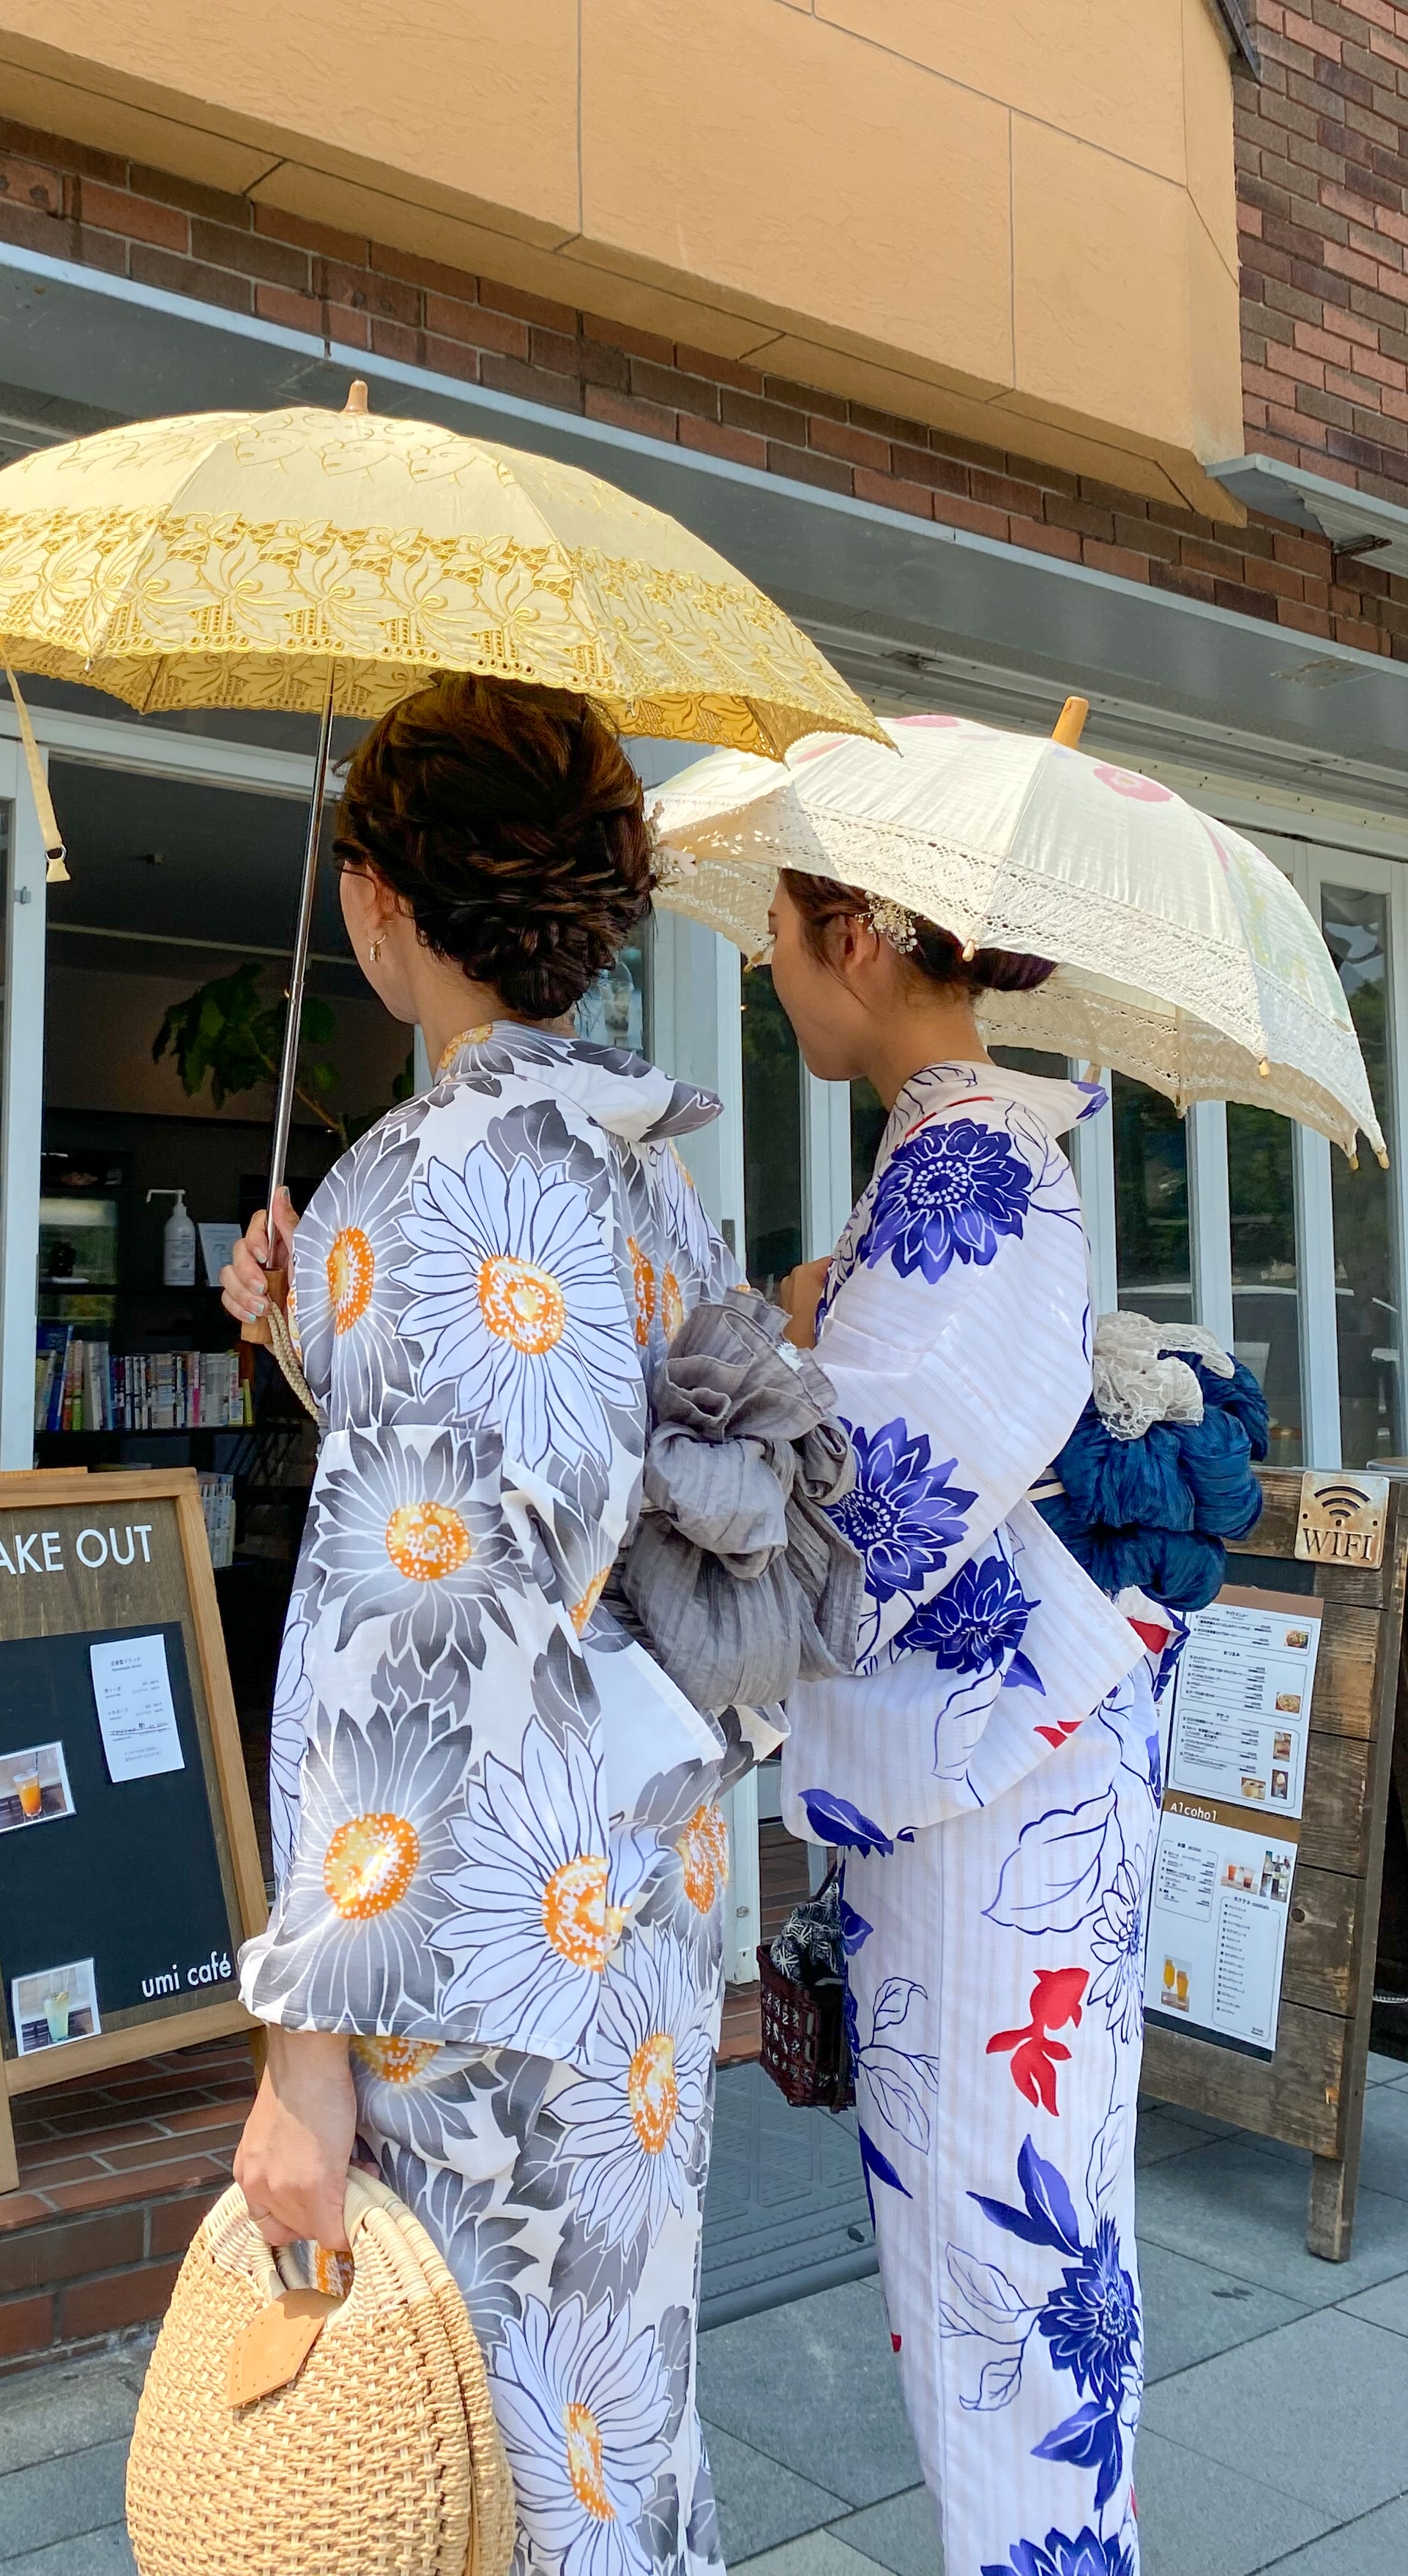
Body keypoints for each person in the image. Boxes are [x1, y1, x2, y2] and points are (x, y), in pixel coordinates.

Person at [220, 674, 744, 2576]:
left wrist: (302, 2052)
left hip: (465, 1937)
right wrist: (300, 1325)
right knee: (610, 2410)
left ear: (377, 905)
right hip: (634, 1897)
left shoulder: (422, 1185)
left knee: (476, 2454)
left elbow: (412, 1629)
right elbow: (651, 1527)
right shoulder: (646, 1177)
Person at [766, 870, 1160, 2576]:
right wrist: (810, 1322)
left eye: (779, 939)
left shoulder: (974, 1162)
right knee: (1001, 2262)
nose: (773, 976)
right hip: (1006, 1761)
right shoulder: (954, 1152)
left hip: (1000, 1781)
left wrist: (752, 1365)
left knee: (1004, 2274)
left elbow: (873, 1492)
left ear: (856, 940)